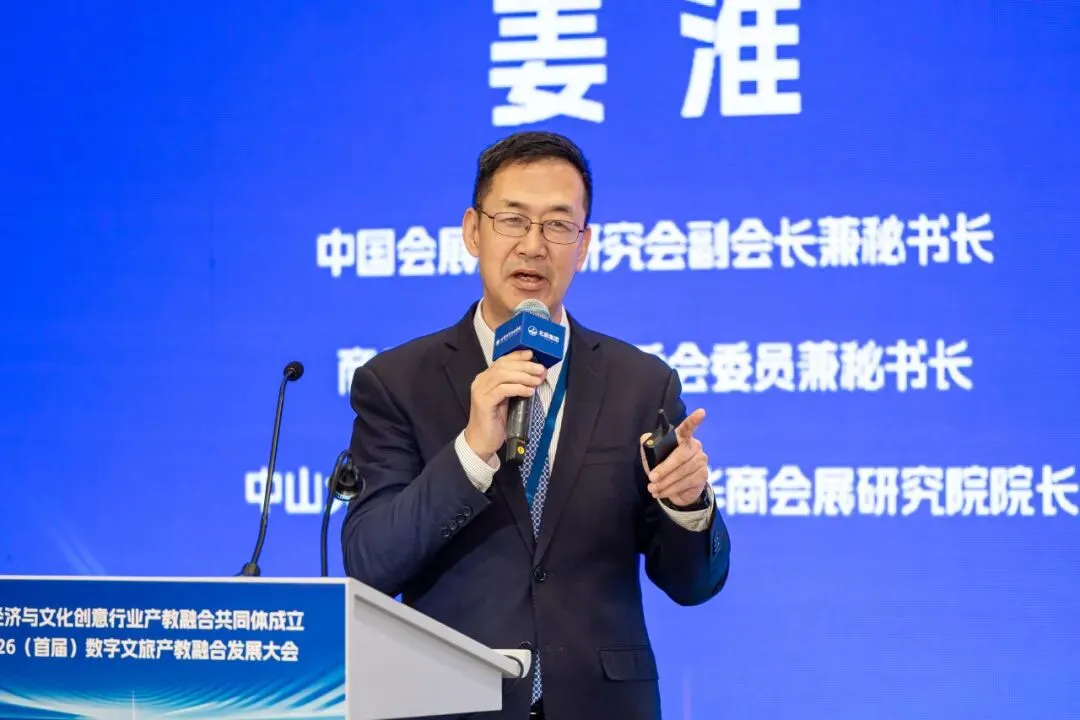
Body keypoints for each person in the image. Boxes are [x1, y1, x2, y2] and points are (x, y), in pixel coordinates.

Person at [341, 131, 731, 720]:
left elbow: (693, 584)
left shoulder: (641, 382)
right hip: (451, 703)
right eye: (513, 220)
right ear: (473, 231)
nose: (533, 245)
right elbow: (370, 565)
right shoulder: (397, 382)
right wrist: (471, 453)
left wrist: (688, 505)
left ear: (584, 244)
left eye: (557, 225)